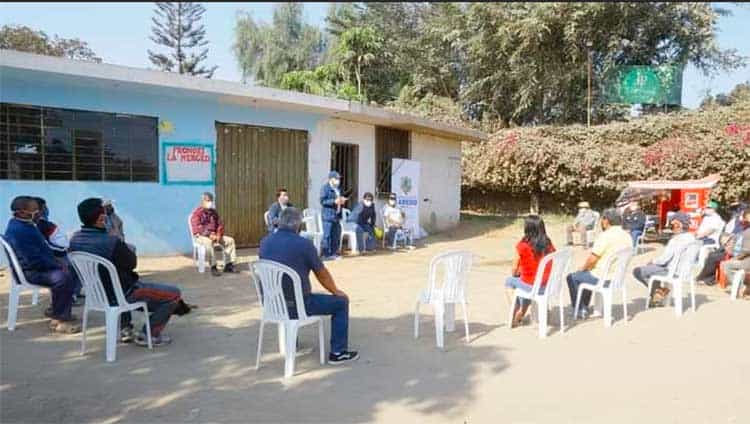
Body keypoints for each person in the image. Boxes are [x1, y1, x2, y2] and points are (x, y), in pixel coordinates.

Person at [70, 198, 193, 346]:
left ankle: (125, 328)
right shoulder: (111, 241)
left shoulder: (75, 239)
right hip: (125, 294)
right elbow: (132, 264)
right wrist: (123, 245)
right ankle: (149, 335)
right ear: (101, 218)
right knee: (174, 294)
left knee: (119, 282)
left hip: (98, 296)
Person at [258, 207, 359, 364]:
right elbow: (322, 274)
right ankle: (338, 352)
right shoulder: (304, 244)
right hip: (299, 305)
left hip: (272, 303)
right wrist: (336, 291)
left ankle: (292, 343)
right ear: (299, 225)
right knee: (341, 302)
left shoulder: (265, 242)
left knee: (289, 290)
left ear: (280, 222)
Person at [3, 196, 79, 333]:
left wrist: (56, 262)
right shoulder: (21, 231)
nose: (38, 213)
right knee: (63, 277)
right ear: (21, 212)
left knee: (66, 270)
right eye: (35, 210)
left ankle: (57, 311)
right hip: (31, 271)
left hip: (35, 266)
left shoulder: (22, 224)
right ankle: (61, 320)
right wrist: (56, 265)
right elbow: (33, 260)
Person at [566, 208, 632, 318]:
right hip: (618, 277)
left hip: (603, 277)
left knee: (572, 277)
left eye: (602, 219)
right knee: (585, 273)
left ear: (606, 221)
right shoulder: (627, 236)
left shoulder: (605, 236)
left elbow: (593, 259)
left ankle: (581, 309)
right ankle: (584, 306)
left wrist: (583, 267)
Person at [632, 213, 696, 306]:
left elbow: (664, 260)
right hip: (686, 272)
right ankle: (658, 295)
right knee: (653, 268)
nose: (670, 226)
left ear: (679, 225)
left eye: (672, 224)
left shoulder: (675, 240)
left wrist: (653, 261)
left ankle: (659, 293)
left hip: (672, 271)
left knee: (638, 271)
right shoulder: (692, 238)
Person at [504, 215, 555, 327]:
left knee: (509, 281)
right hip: (547, 285)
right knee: (526, 283)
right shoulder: (549, 244)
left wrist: (518, 273)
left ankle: (516, 308)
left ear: (527, 228)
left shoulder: (522, 245)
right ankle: (522, 312)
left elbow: (514, 270)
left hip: (531, 286)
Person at [32, 197, 83, 305]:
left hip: (43, 258)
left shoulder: (33, 226)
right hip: (50, 259)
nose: (46, 210)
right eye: (45, 208)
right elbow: (52, 246)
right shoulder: (44, 225)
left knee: (74, 264)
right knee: (75, 265)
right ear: (39, 210)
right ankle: (70, 296)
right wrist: (65, 249)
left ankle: (74, 292)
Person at [190, 192, 238, 276]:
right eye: (208, 200)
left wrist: (218, 234)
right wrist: (209, 235)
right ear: (202, 201)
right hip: (201, 236)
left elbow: (220, 225)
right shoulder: (197, 213)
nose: (210, 203)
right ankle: (213, 266)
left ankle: (229, 264)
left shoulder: (213, 212)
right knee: (209, 243)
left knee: (230, 240)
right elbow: (198, 228)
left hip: (215, 235)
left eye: (211, 201)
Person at [720, 209, 750, 298]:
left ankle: (741, 288)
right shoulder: (745, 230)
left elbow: (746, 251)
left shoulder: (748, 232)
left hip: (747, 261)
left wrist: (735, 258)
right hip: (745, 257)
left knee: (725, 264)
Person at [320, 171, 347, 260]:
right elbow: (322, 201)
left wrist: (342, 200)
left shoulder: (338, 189)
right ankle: (325, 254)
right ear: (331, 179)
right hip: (328, 216)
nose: (338, 180)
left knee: (336, 235)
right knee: (327, 236)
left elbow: (338, 200)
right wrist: (334, 201)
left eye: (339, 179)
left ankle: (334, 253)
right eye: (336, 179)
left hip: (336, 216)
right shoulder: (325, 188)